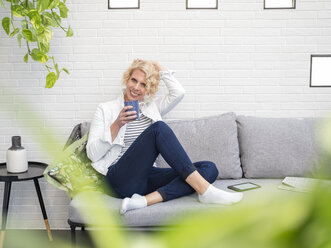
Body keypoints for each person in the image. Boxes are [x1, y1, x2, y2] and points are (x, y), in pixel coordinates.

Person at [86, 59, 243, 214]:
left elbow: (179, 93)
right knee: (159, 128)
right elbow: (92, 154)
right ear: (127, 79)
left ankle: (144, 201)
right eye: (134, 80)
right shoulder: (105, 109)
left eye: (143, 84)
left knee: (209, 168)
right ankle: (206, 191)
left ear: (148, 89)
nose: (136, 87)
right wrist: (117, 124)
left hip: (147, 177)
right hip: (118, 178)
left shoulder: (152, 107)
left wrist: (160, 69)